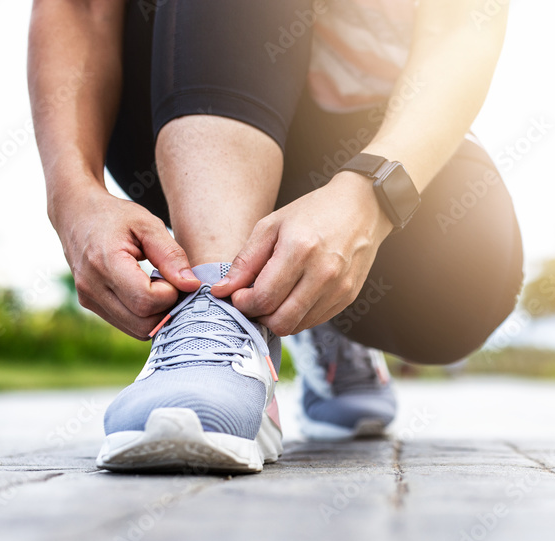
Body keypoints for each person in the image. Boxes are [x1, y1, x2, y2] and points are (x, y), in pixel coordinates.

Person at [28, 0, 523, 473]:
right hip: (176, 84)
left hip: (371, 126)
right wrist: (71, 196)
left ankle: (315, 312)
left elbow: (465, 23)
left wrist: (371, 195)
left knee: (465, 287)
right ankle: (218, 321)